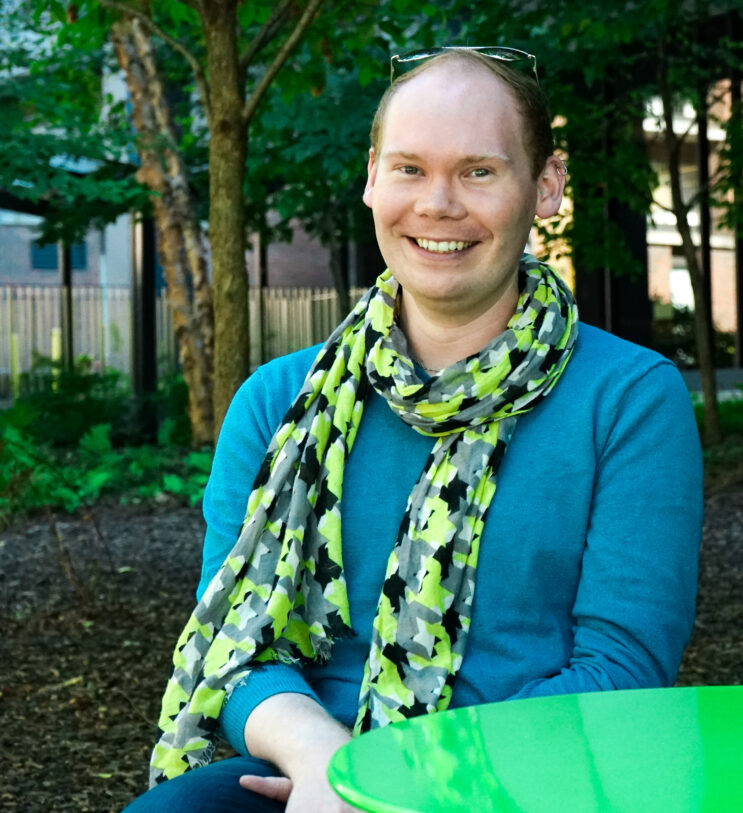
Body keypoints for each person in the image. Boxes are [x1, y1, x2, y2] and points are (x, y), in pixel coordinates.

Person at [124, 46, 703, 813]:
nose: (438, 203)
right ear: (371, 179)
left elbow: (622, 666)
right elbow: (234, 645)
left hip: (538, 775)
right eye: (409, 169)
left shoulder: (630, 400)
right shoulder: (276, 401)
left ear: (547, 187)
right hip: (316, 774)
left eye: (479, 171)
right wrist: (327, 760)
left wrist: (416, 780)